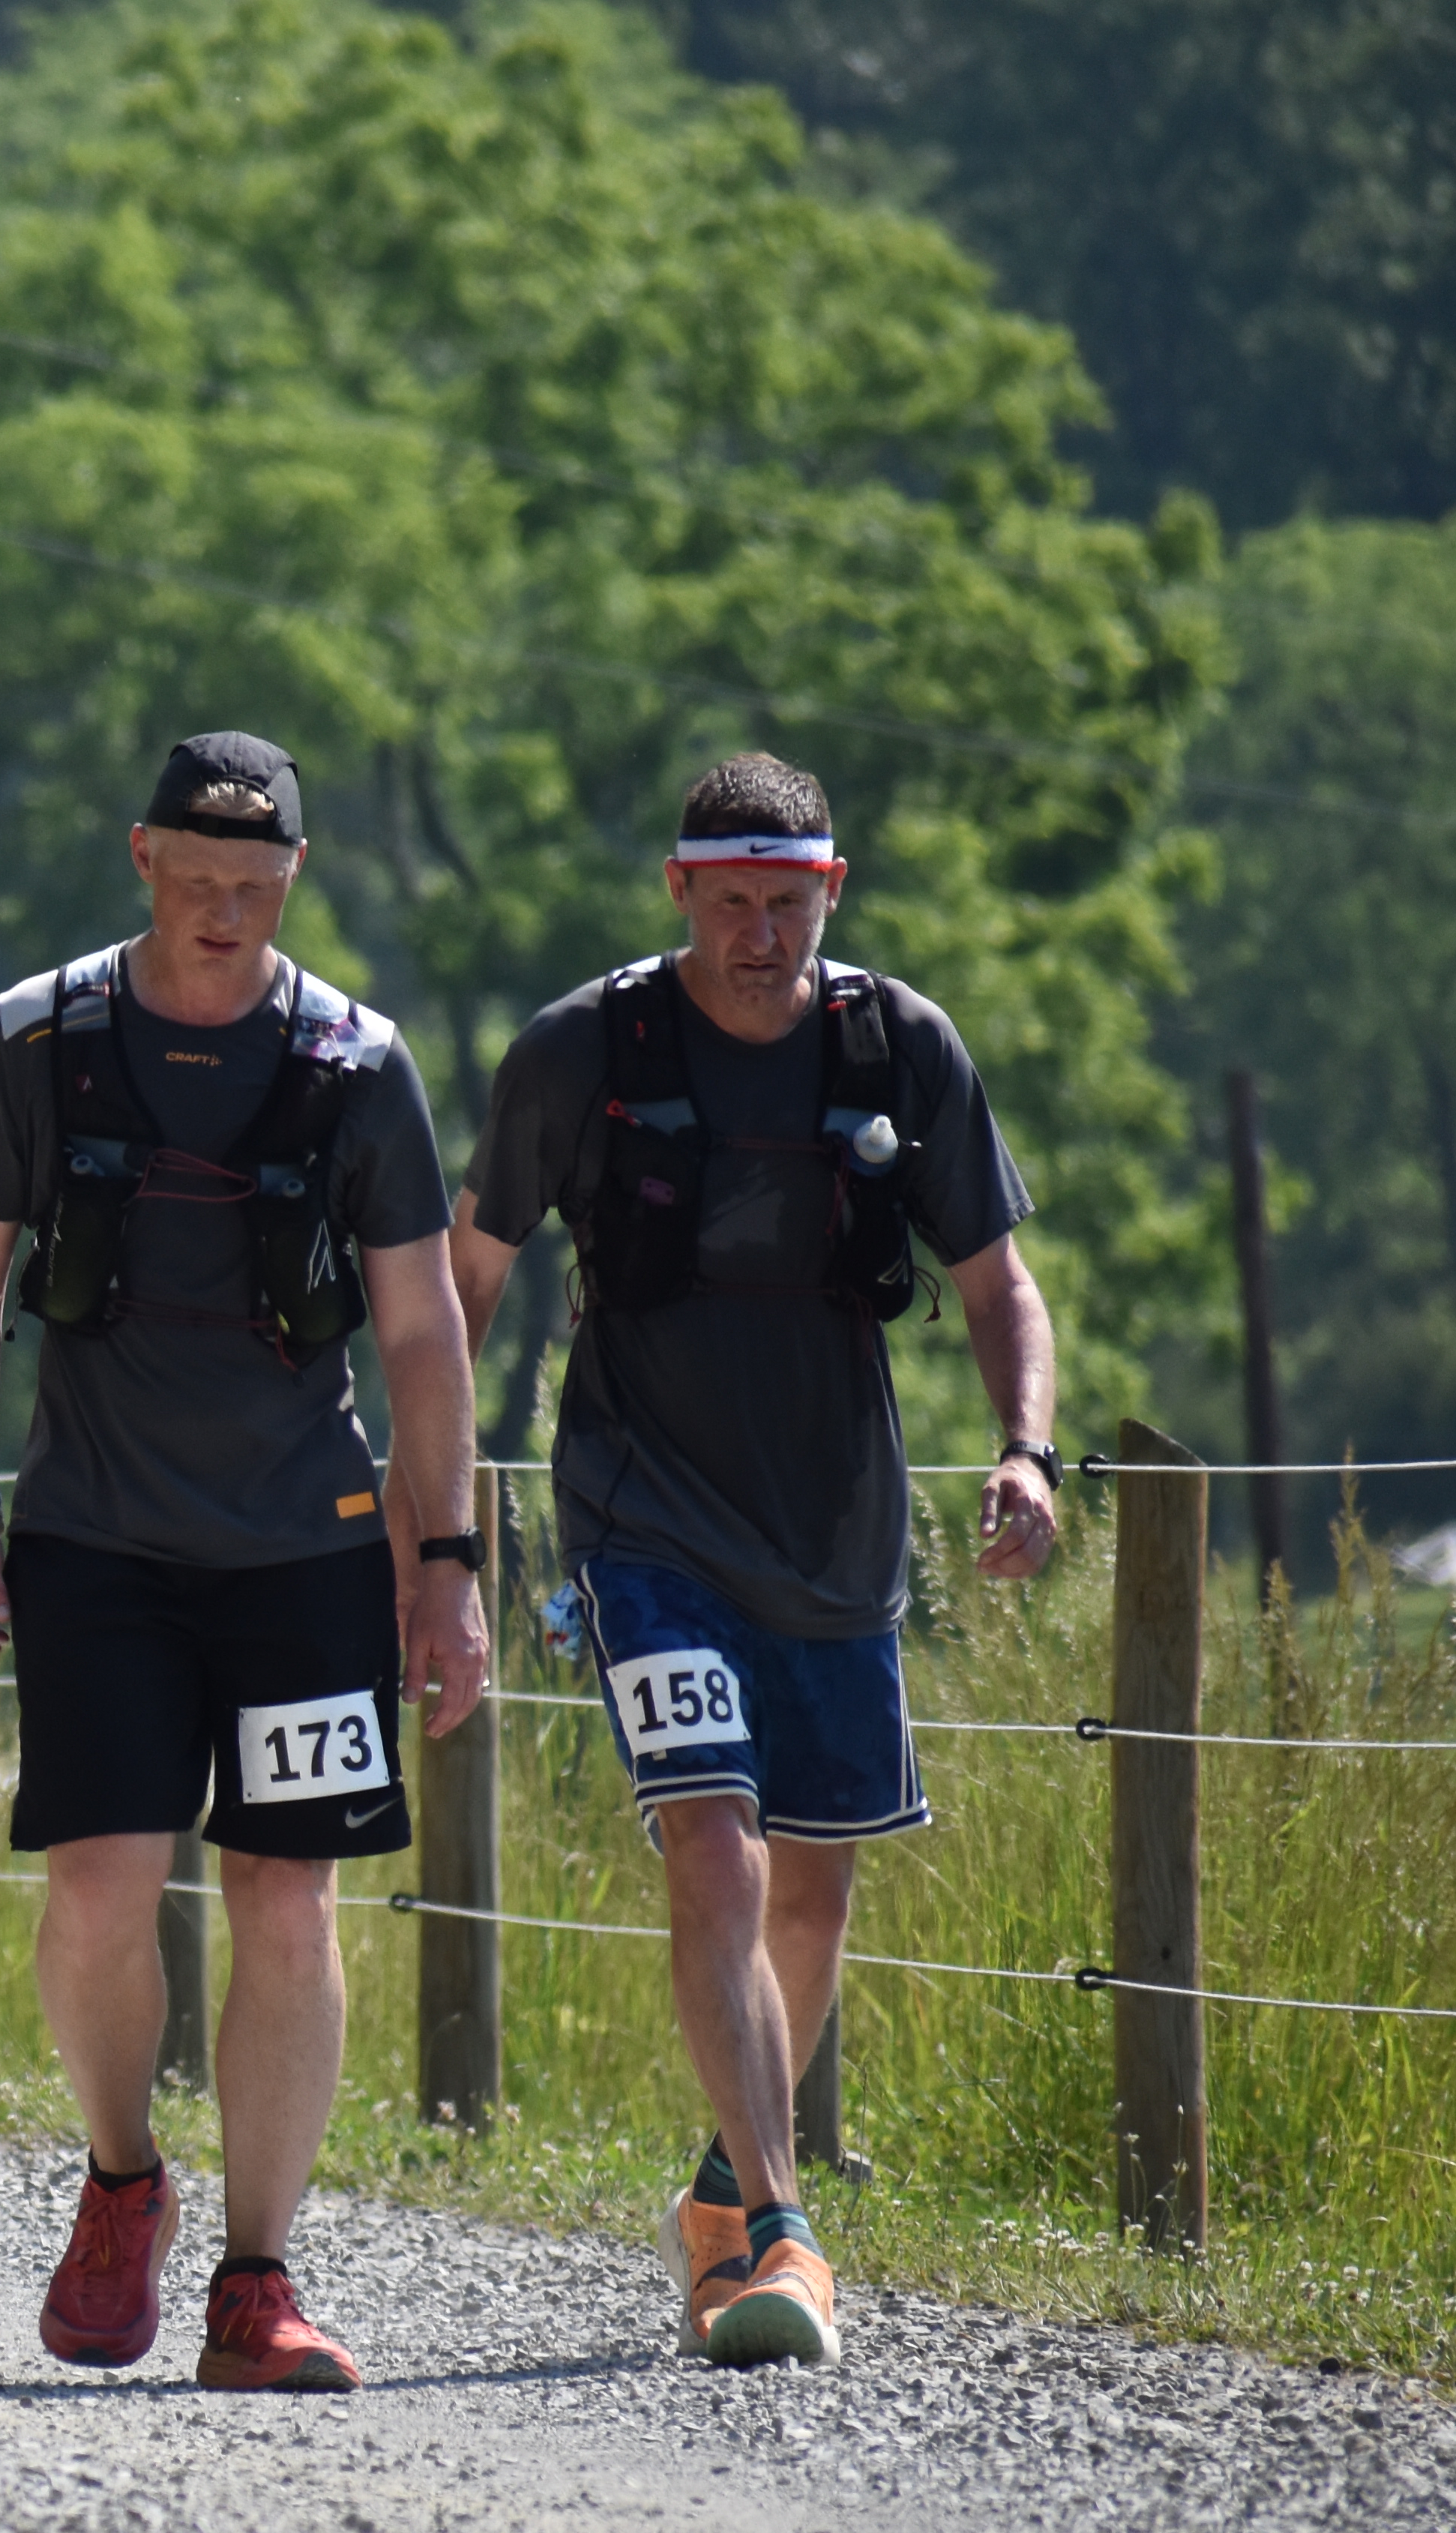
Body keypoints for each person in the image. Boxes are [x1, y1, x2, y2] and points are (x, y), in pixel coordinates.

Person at [449, 751, 1057, 2372]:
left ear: (831, 893)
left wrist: (1024, 1445)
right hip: (641, 1519)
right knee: (711, 1844)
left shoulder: (900, 1050)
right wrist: (434, 1515)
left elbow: (1002, 1283)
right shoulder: (581, 1055)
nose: (758, 937)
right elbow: (463, 1283)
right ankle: (785, 2228)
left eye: (788, 904)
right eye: (729, 904)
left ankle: (725, 2190)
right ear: (679, 892)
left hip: (837, 1530)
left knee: (815, 1874)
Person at [0, 731, 487, 2394]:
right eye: (200, 879)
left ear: (292, 879)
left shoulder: (357, 1065)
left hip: (306, 1545)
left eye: (260, 885)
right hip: (92, 1534)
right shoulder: (42, 1041)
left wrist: (440, 1563)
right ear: (142, 857)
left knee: (285, 1896)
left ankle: (260, 2273)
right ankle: (118, 2182)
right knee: (98, 1887)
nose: (227, 914)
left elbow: (423, 1332)